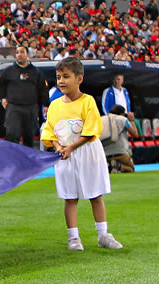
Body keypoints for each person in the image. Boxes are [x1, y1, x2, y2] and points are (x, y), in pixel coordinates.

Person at [41, 56, 123, 251]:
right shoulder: (55, 105)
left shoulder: (88, 102)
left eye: (66, 76)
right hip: (64, 156)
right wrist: (58, 146)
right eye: (58, 76)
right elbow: (49, 130)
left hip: (87, 152)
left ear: (79, 78)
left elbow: (91, 130)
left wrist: (71, 147)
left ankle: (103, 235)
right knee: (70, 197)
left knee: (95, 194)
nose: (61, 81)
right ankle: (73, 238)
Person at [0, 45, 47, 148]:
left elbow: (43, 88)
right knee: (12, 134)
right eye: (17, 52)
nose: (19, 55)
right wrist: (3, 97)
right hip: (14, 108)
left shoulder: (36, 71)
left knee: (29, 136)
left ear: (27, 54)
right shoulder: (9, 70)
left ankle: (28, 161)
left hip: (31, 107)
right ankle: (11, 159)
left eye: (22, 52)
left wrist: (46, 104)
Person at [100, 105, 137, 173]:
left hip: (105, 154)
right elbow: (135, 134)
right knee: (131, 169)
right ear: (122, 114)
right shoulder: (123, 119)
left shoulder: (101, 120)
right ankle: (118, 166)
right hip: (121, 153)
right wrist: (131, 121)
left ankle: (110, 166)